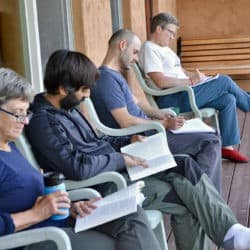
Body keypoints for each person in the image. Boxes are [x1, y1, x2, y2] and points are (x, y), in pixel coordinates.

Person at [25, 49, 250, 250]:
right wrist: (122, 158)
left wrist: (128, 141)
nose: (88, 96)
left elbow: (97, 142)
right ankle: (231, 234)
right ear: (64, 89)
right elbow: (77, 168)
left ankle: (231, 232)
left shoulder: (67, 108)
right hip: (105, 185)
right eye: (84, 90)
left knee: (184, 164)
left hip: (116, 170)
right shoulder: (42, 122)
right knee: (187, 198)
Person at [0, 68, 161, 250]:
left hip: (56, 222)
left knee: (131, 214)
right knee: (120, 243)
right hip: (34, 239)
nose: (25, 120)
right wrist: (36, 214)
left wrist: (70, 207)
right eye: (17, 113)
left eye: (25, 112)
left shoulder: (10, 146)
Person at [91, 28, 221, 192]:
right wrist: (164, 123)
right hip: (142, 138)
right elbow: (125, 121)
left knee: (210, 135)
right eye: (135, 52)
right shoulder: (106, 79)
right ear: (122, 45)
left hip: (151, 130)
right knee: (210, 141)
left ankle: (202, 197)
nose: (136, 59)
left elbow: (137, 102)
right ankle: (206, 198)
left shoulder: (114, 75)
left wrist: (162, 114)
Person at [139, 12, 250, 163]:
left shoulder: (165, 49)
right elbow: (160, 81)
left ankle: (227, 147)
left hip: (185, 92)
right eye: (170, 32)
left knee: (227, 99)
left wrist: (198, 77)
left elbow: (180, 72)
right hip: (172, 98)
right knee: (224, 81)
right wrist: (190, 83)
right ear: (159, 29)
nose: (172, 37)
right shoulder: (149, 48)